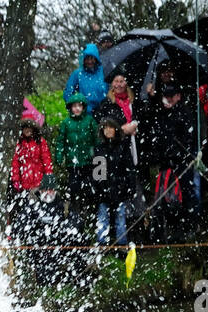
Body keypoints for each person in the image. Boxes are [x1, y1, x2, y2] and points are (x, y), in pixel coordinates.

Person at [148, 85, 204, 242]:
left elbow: (188, 137)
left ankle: (189, 227)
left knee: (186, 194)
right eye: (166, 95)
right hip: (166, 163)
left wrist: (179, 153)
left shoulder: (184, 113)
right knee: (165, 196)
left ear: (178, 96)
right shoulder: (161, 113)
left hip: (182, 163)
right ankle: (170, 230)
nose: (169, 98)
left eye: (172, 95)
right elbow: (157, 134)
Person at [54, 93, 98, 229]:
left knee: (90, 189)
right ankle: (75, 215)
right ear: (70, 108)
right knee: (74, 189)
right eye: (74, 106)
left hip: (88, 162)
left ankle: (89, 215)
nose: (77, 109)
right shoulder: (66, 123)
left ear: (83, 107)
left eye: (79, 106)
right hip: (72, 163)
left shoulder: (90, 121)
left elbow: (96, 140)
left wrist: (97, 156)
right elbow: (60, 141)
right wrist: (59, 155)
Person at [92, 116, 136, 246]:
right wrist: (99, 189)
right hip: (104, 189)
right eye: (105, 128)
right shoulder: (99, 148)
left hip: (120, 188)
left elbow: (129, 169)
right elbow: (97, 173)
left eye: (110, 127)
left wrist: (129, 186)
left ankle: (122, 244)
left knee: (121, 218)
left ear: (115, 129)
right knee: (103, 217)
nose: (108, 130)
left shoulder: (123, 147)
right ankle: (102, 244)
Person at [10, 117, 53, 197]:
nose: (27, 130)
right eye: (25, 128)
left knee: (40, 205)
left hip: (39, 181)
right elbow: (15, 163)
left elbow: (46, 160)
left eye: (29, 127)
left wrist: (48, 176)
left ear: (33, 128)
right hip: (25, 182)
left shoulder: (40, 141)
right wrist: (15, 179)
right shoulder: (19, 144)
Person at [64, 44, 108, 109]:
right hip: (86, 114)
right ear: (83, 59)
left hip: (104, 110)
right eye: (87, 59)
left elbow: (112, 87)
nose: (89, 61)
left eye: (92, 58)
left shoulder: (103, 70)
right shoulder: (78, 74)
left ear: (96, 58)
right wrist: (76, 107)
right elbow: (68, 92)